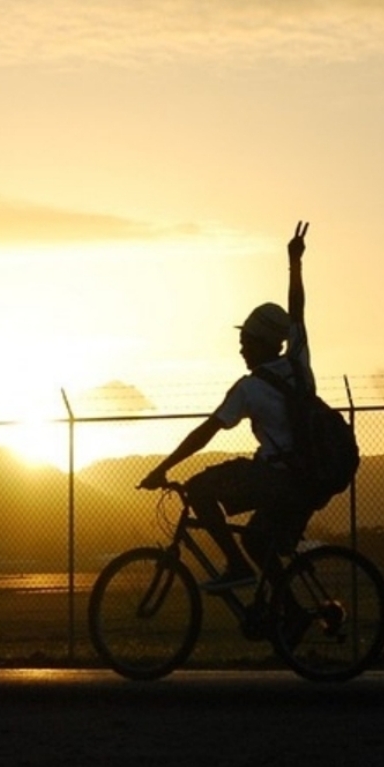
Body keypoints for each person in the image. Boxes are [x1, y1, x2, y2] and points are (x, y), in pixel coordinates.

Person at [139, 221, 315, 589]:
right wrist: (295, 263)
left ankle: (235, 567)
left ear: (265, 343)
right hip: (306, 476)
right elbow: (297, 310)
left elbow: (206, 432)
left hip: (274, 475)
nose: (241, 347)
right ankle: (291, 614)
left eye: (247, 341)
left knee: (200, 489)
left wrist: (164, 468)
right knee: (256, 540)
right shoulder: (298, 362)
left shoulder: (249, 388)